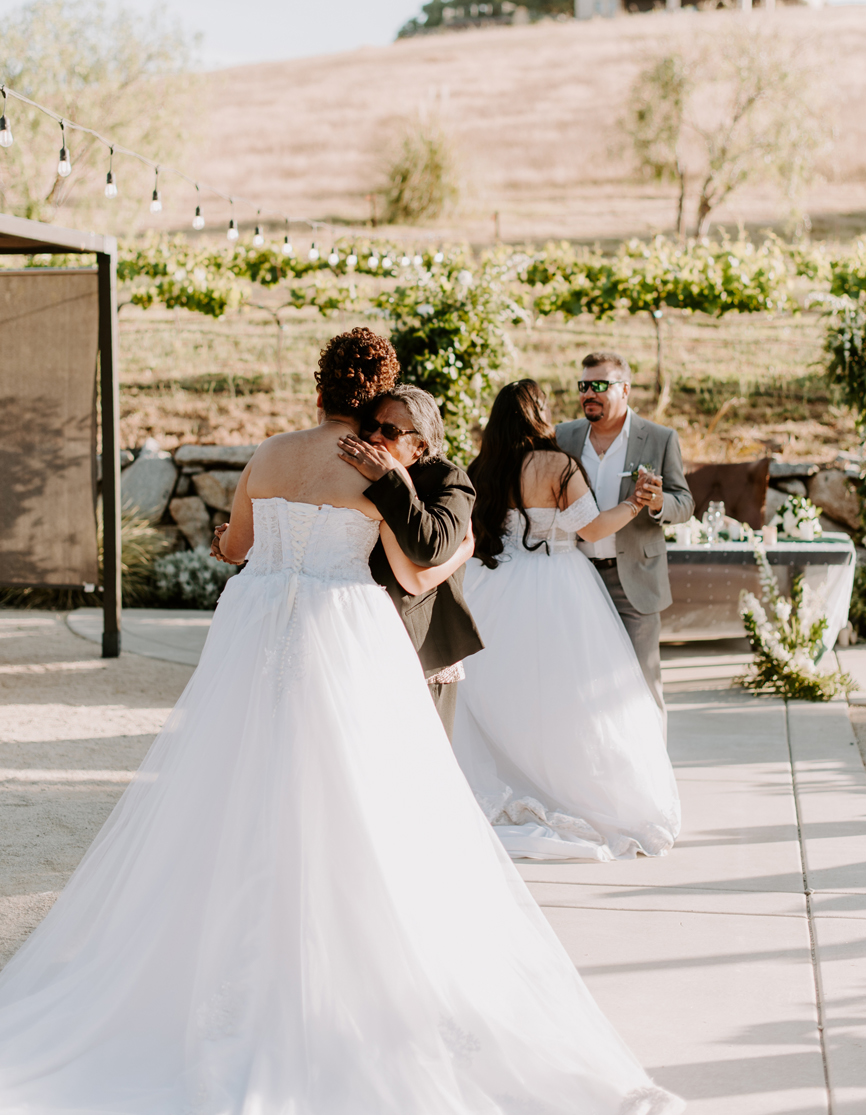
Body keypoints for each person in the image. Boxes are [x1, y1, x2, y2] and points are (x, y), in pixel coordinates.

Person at [0, 329, 683, 1115]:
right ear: (375, 397)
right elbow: (411, 572)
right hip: (343, 632)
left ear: (318, 388)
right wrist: (448, 541)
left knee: (232, 784)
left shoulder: (269, 452)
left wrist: (241, 544)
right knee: (359, 800)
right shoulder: (375, 464)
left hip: (253, 627)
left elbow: (236, 544)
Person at [454, 379, 681, 863]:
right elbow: (593, 529)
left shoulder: (483, 467)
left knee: (505, 694)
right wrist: (634, 503)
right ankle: (569, 791)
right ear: (538, 414)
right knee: (571, 698)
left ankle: (513, 784)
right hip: (557, 584)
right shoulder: (558, 466)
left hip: (494, 586)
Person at [555, 350, 694, 731]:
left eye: (600, 385)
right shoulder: (563, 437)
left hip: (634, 579)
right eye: (584, 386)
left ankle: (652, 765)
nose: (589, 394)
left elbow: (685, 503)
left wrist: (659, 502)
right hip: (576, 575)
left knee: (641, 687)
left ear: (625, 389)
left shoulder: (660, 438)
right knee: (581, 682)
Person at [336, 384, 482, 741]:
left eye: (390, 431)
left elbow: (429, 548)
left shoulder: (450, 481)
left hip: (422, 646)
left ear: (420, 445)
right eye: (371, 425)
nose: (374, 436)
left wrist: (391, 480)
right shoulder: (354, 469)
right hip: (356, 634)